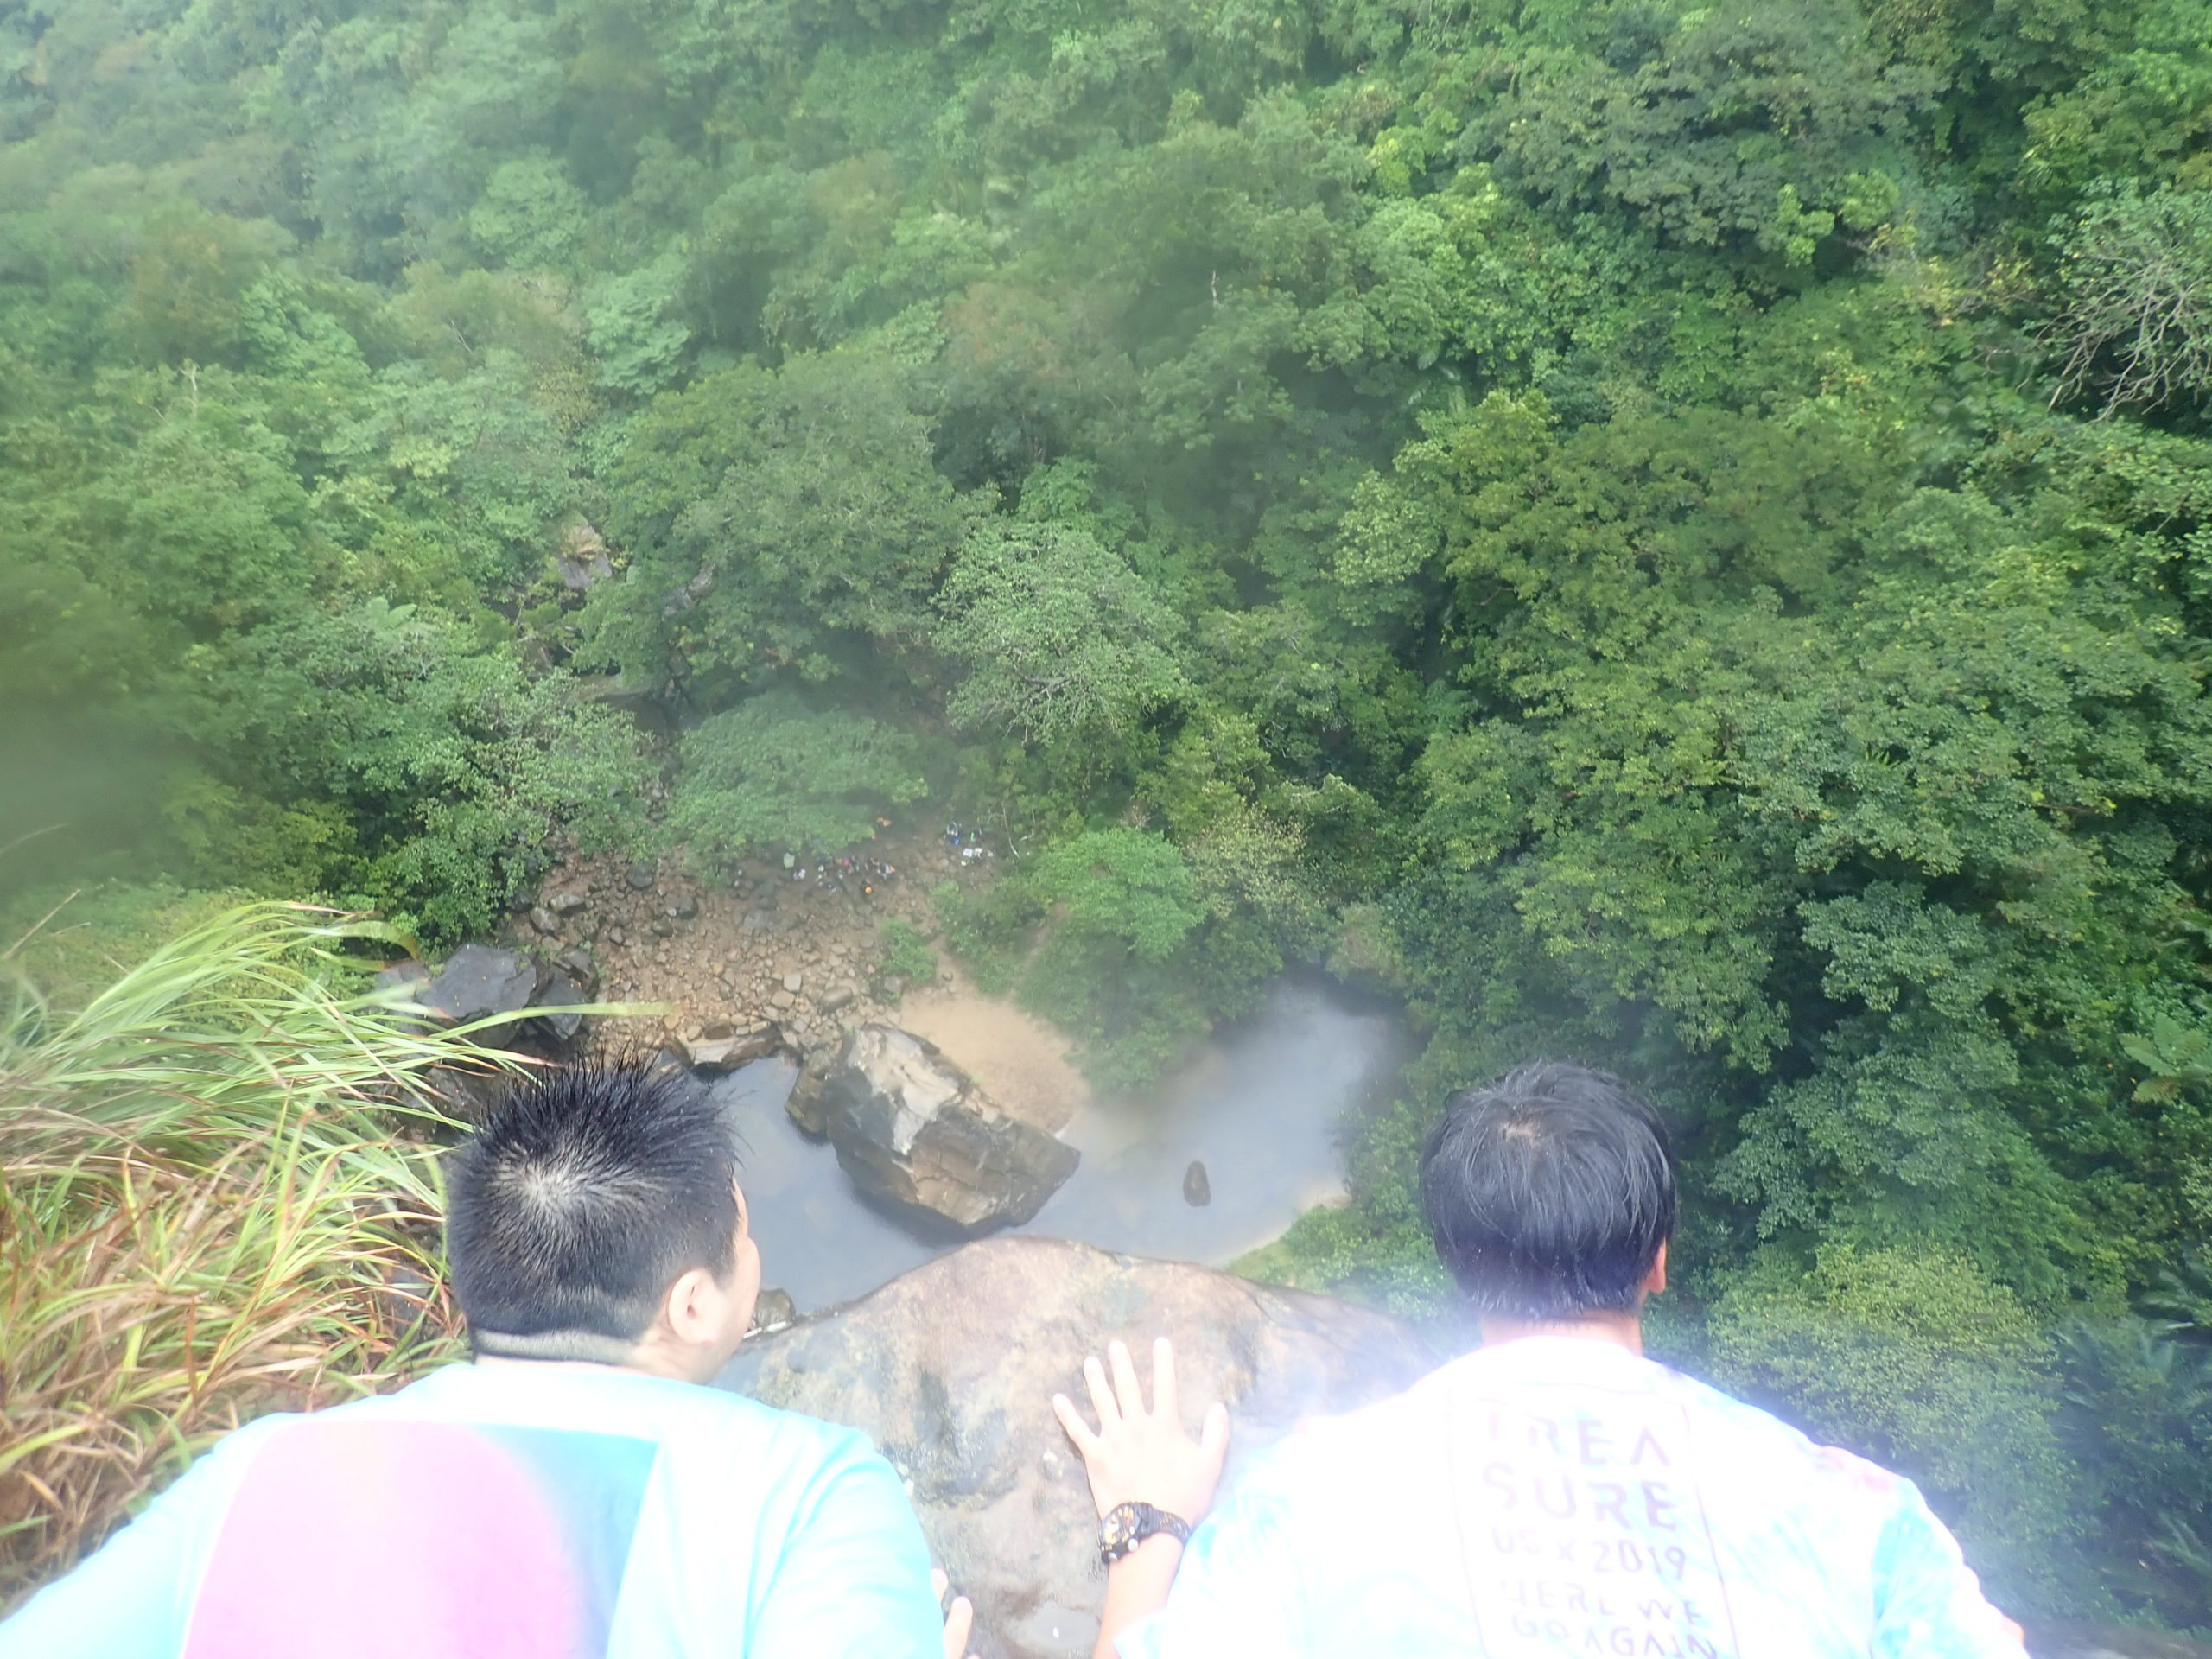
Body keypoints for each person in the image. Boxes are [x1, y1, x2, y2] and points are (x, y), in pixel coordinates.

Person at [1053, 1061, 2031, 1659]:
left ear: (1454, 1263)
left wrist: (1147, 1528)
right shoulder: (1858, 1520)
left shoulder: (1310, 1501)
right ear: (1658, 1261)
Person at [0, 1062, 973, 1659]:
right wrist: (1134, 1543)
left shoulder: (255, 1470)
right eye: (743, 1238)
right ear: (691, 1301)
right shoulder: (812, 1493)